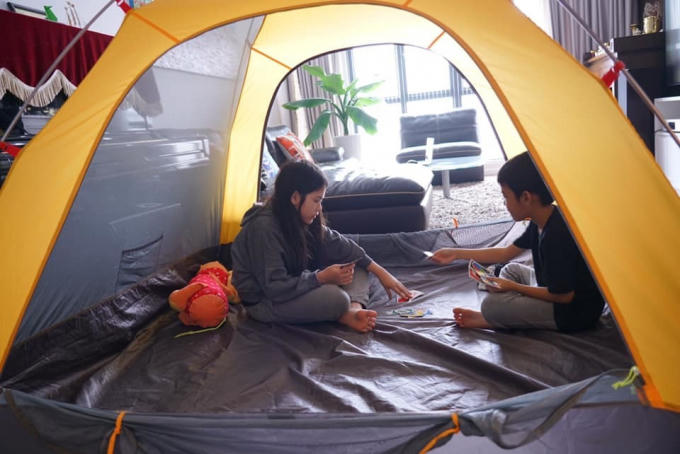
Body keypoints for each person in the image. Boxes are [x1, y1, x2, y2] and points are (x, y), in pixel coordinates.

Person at [431, 152, 605, 332]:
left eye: (506, 196)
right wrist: (456, 253)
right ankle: (510, 313)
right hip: (550, 288)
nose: (504, 203)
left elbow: (564, 296)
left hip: (573, 313)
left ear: (526, 197)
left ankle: (492, 318)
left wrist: (513, 287)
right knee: (511, 269)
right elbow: (505, 253)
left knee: (491, 305)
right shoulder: (541, 220)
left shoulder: (557, 235)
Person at [231, 160, 411, 333]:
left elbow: (344, 247)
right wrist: (320, 278)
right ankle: (343, 313)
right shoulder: (263, 228)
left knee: (355, 264)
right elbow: (275, 288)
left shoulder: (300, 217)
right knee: (336, 298)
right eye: (316, 200)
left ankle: (354, 309)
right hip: (265, 302)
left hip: (295, 284)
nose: (319, 208)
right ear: (295, 197)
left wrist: (382, 274)